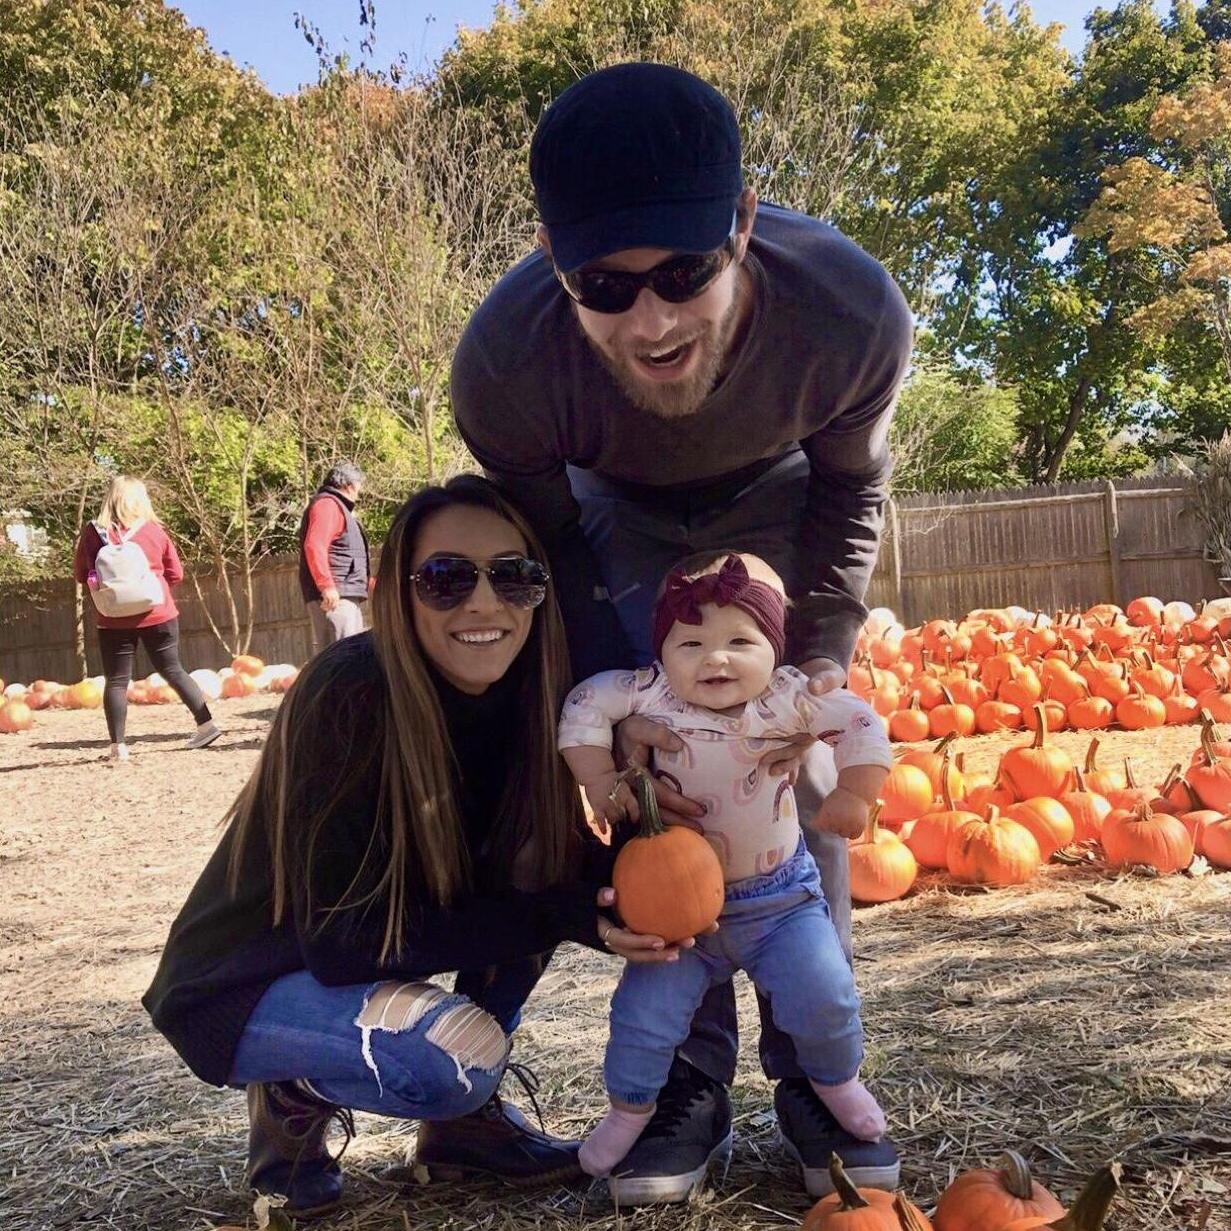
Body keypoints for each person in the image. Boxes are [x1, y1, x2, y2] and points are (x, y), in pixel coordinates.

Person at [451, 62, 913, 1201]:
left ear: (742, 225)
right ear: (552, 260)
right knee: (671, 771)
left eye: (683, 272)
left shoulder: (848, 313)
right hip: (609, 510)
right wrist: (624, 712)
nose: (650, 321)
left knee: (788, 758)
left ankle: (817, 1069)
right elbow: (556, 548)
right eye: (604, 286)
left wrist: (818, 657)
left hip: (781, 490)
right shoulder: (505, 366)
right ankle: (685, 1085)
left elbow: (850, 491)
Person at [142, 475, 693, 1218]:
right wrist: (564, 912)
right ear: (400, 594)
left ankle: (462, 1137)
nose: (484, 602)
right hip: (250, 979)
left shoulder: (535, 695)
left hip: (365, 954)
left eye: (514, 576)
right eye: (446, 578)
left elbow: (543, 876)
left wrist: (638, 867)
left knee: (534, 886)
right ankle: (292, 1091)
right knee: (449, 1061)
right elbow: (343, 943)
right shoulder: (349, 691)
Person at [558, 552, 892, 1182]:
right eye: (691, 643)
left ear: (775, 648)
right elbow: (582, 705)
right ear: (662, 651)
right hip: (681, 910)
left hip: (781, 902)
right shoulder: (647, 691)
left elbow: (861, 722)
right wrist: (600, 777)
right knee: (642, 1018)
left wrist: (855, 790)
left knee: (824, 994)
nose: (716, 659)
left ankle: (834, 1082)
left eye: (741, 641)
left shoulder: (788, 696)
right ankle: (630, 1110)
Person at [72, 475, 220, 761]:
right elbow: (176, 573)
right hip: (158, 613)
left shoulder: (93, 533)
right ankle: (207, 725)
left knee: (116, 681)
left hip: (113, 618)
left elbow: (81, 574)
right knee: (174, 669)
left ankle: (118, 746)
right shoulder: (153, 531)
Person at [298, 462, 372, 654]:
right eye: (359, 486)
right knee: (341, 657)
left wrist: (372, 583)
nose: (359, 492)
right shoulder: (328, 505)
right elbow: (315, 545)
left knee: (352, 655)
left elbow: (349, 557)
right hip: (334, 598)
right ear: (349, 485)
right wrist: (326, 586)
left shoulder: (339, 508)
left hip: (344, 594)